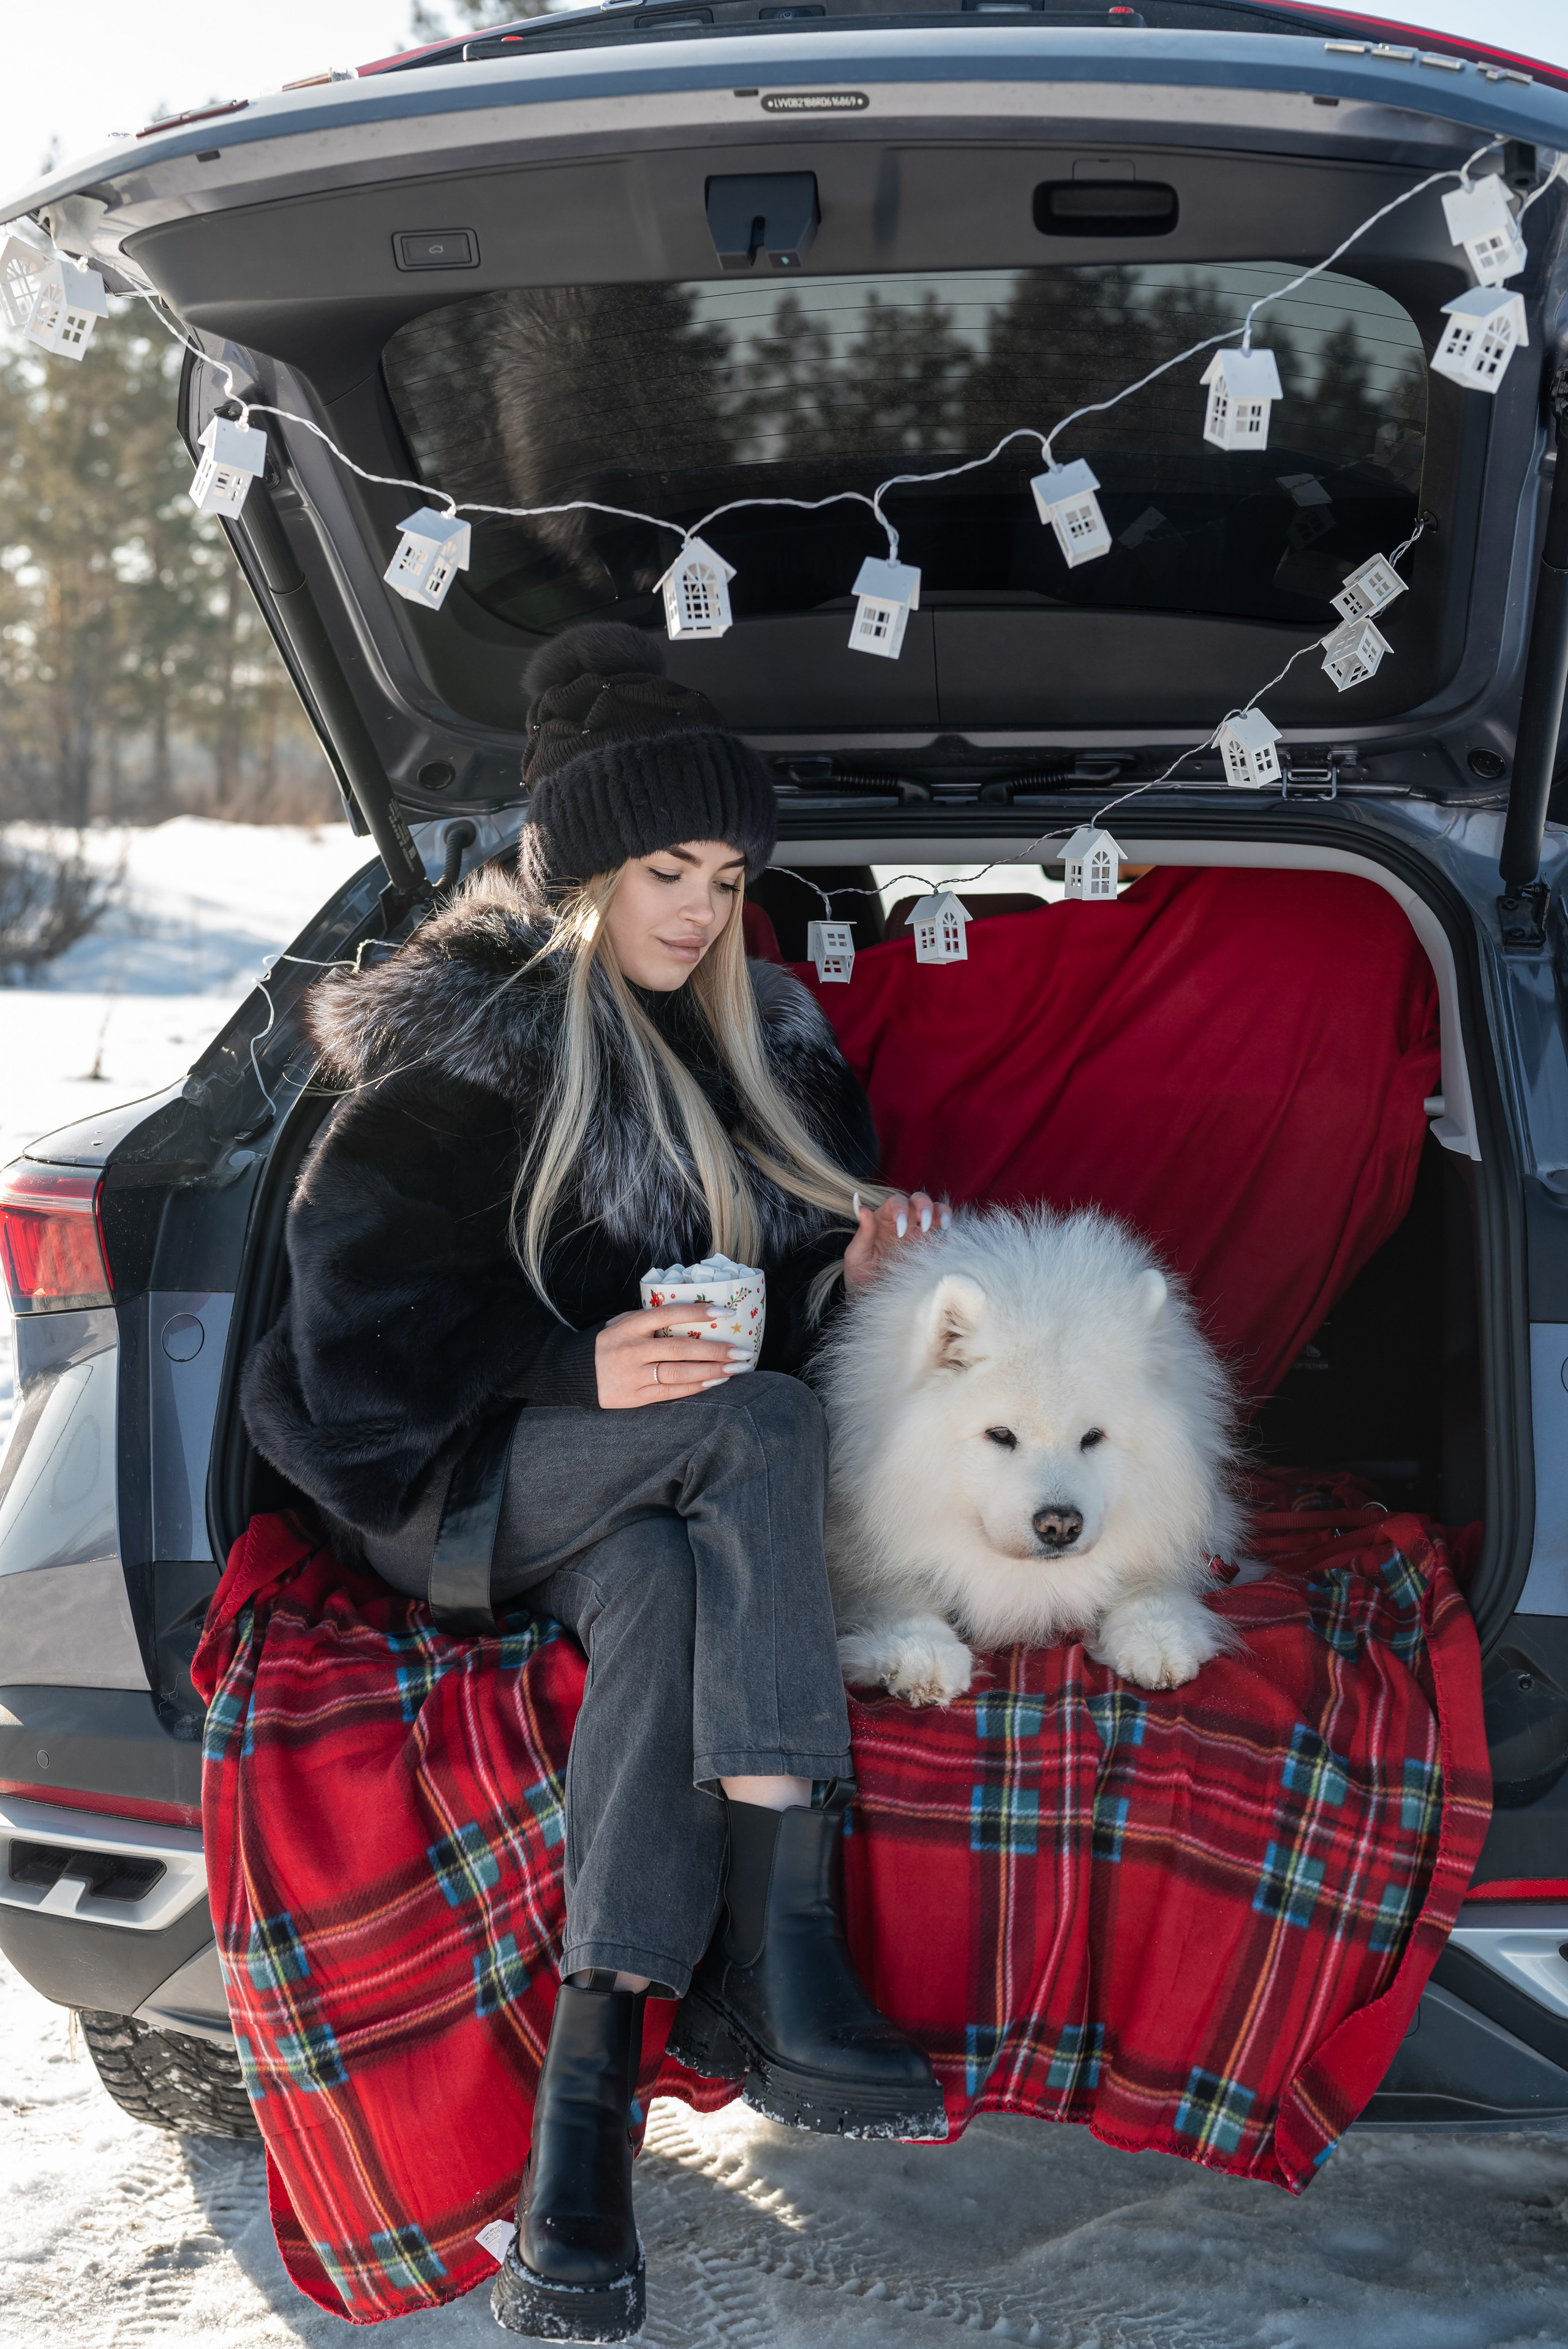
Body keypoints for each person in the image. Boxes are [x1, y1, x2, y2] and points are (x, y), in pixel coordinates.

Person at [241, 621, 948, 2343]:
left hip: (629, 1507)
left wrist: (841, 1290)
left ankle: (580, 2163)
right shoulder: (471, 1037)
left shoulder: (761, 1046)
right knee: (757, 1435)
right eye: (663, 872)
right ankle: (782, 1955)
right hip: (441, 1475)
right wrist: (569, 1366)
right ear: (584, 873)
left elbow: (760, 1332)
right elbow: (346, 1331)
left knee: (666, 1582)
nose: (700, 911)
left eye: (726, 876)